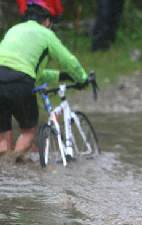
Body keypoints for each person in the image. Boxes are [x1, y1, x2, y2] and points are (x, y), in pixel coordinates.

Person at [0, 1, 88, 158]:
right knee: (28, 132)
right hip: (20, 81)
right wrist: (82, 79)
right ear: (47, 20)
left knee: (3, 138)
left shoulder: (13, 30)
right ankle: (14, 167)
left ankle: (6, 175)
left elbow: (33, 72)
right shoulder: (46, 34)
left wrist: (60, 76)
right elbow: (68, 61)